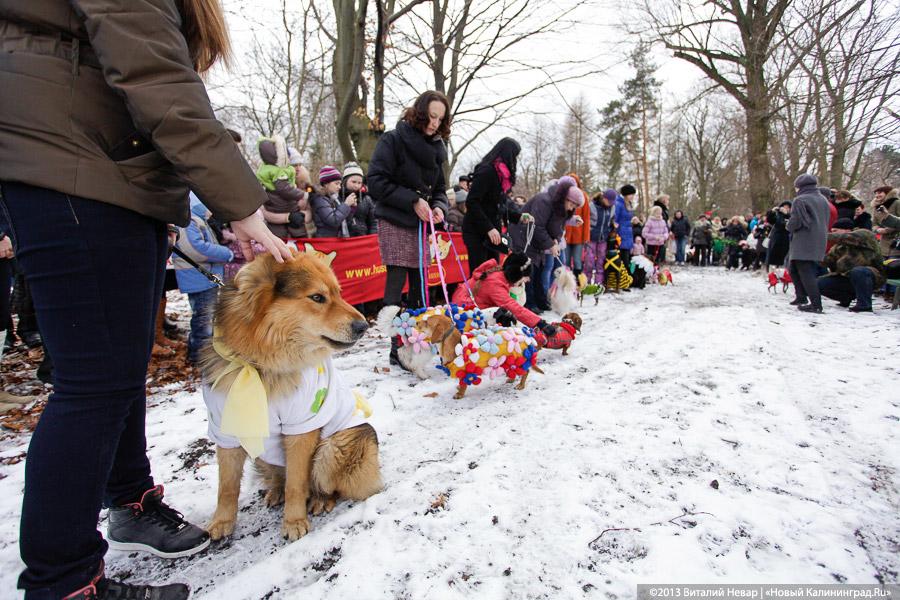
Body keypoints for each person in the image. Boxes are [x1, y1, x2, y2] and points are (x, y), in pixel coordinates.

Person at [0, 1, 292, 597]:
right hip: (75, 168)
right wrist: (239, 205)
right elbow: (157, 79)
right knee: (94, 384)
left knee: (119, 370)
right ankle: (64, 579)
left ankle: (130, 499)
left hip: (103, 171)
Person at [367, 90, 450, 365]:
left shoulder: (439, 149)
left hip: (420, 225)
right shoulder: (394, 139)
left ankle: (416, 345)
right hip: (395, 218)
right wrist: (412, 200)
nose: (435, 123)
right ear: (420, 112)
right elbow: (376, 181)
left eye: (440, 118)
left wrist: (439, 206)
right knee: (396, 281)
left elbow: (439, 189)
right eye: (431, 116)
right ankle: (395, 347)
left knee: (420, 287)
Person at [173, 196, 234, 364]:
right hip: (197, 277)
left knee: (206, 318)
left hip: (204, 277)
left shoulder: (198, 219)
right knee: (204, 320)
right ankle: (199, 358)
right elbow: (196, 249)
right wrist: (225, 253)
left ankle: (201, 355)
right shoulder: (189, 220)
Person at [461, 138, 526, 272]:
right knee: (480, 275)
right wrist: (488, 228)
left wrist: (518, 217)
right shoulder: (487, 171)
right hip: (477, 231)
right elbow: (472, 201)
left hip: (493, 234)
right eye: (515, 156)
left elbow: (499, 205)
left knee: (494, 272)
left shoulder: (502, 177)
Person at [451, 253, 555, 335]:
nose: (527, 280)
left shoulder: (501, 276)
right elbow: (514, 307)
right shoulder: (495, 283)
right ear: (516, 273)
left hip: (473, 307)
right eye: (525, 277)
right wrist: (540, 323)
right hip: (463, 315)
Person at [522, 177, 583, 313]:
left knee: (539, 271)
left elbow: (556, 226)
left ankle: (540, 300)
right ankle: (530, 303)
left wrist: (555, 240)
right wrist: (550, 243)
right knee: (531, 272)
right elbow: (537, 225)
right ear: (567, 199)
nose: (572, 208)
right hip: (527, 240)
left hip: (540, 243)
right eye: (572, 205)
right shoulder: (544, 201)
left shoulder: (560, 208)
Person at [787, 174, 831, 313]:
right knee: (793, 267)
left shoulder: (800, 200)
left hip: (804, 239)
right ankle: (801, 296)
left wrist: (788, 225)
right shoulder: (823, 199)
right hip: (819, 238)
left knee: (806, 271)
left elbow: (796, 222)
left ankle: (816, 303)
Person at [256, 136, 313, 238]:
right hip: (278, 229)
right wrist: (287, 217)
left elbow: (312, 211)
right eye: (294, 165)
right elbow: (265, 212)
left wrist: (302, 217)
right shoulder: (273, 181)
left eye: (300, 164)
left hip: (301, 229)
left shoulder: (306, 185)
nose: (298, 168)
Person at [817, 227, 884, 312]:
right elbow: (826, 261)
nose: (833, 233)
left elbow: (846, 237)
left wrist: (818, 235)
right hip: (847, 278)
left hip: (872, 276)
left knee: (858, 272)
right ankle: (846, 298)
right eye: (832, 231)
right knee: (819, 283)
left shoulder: (865, 235)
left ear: (847, 230)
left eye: (836, 231)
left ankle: (864, 305)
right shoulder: (838, 247)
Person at [311, 165, 355, 238]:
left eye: (340, 184)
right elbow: (334, 221)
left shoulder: (334, 198)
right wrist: (346, 204)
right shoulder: (320, 199)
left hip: (334, 239)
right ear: (326, 184)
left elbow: (344, 220)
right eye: (336, 183)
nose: (339, 187)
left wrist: (352, 207)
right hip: (325, 240)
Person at [561, 173, 591, 278]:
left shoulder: (582, 197)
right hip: (566, 235)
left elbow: (586, 218)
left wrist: (586, 236)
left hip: (579, 236)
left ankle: (578, 283)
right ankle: (567, 283)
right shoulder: (564, 196)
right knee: (566, 260)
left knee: (578, 260)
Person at [584, 189, 616, 284]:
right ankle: (587, 282)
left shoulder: (612, 208)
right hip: (591, 237)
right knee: (589, 261)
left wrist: (613, 227)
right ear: (603, 198)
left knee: (601, 261)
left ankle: (599, 283)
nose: (610, 204)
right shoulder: (592, 206)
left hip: (604, 238)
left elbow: (612, 220)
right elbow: (586, 220)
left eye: (612, 202)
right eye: (608, 201)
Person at [341, 162, 377, 237]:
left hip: (362, 239)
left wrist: (372, 237)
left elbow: (373, 221)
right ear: (345, 181)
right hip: (342, 239)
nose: (356, 185)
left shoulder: (367, 199)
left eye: (359, 183)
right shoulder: (338, 197)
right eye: (353, 182)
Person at [872, 186, 900, 258]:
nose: (877, 195)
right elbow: (874, 223)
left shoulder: (897, 203)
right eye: (876, 193)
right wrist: (877, 229)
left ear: (888, 193)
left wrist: (887, 230)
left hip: (896, 243)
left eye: (880, 193)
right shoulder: (877, 206)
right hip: (882, 243)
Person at [614, 185, 636, 269]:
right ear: (626, 194)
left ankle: (626, 279)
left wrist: (633, 221)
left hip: (628, 234)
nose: (633, 197)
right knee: (622, 261)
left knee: (627, 261)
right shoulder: (619, 204)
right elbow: (615, 219)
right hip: (621, 235)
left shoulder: (629, 204)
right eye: (631, 194)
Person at [765, 202, 792, 271]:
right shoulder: (778, 215)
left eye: (788, 207)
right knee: (773, 258)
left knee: (784, 258)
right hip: (776, 239)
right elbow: (770, 220)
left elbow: (790, 223)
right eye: (784, 207)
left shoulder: (791, 216)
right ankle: (772, 273)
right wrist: (772, 211)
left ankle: (784, 273)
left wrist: (787, 214)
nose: (785, 209)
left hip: (787, 239)